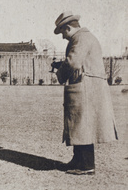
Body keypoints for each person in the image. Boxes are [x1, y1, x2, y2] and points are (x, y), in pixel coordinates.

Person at [54, 11, 118, 175]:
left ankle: (86, 165)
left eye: (63, 32)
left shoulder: (80, 38)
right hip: (88, 86)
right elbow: (81, 61)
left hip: (86, 88)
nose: (63, 37)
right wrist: (61, 64)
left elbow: (74, 62)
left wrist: (60, 74)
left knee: (83, 125)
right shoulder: (85, 37)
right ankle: (78, 160)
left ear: (68, 27)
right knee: (80, 124)